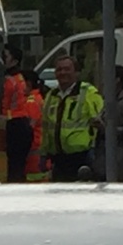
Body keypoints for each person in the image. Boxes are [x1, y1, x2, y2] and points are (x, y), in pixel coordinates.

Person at [41, 53, 105, 181]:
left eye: (67, 69)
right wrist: (43, 155)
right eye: (59, 69)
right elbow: (46, 127)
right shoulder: (51, 96)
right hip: (57, 159)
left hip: (82, 157)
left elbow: (101, 120)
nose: (62, 72)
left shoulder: (88, 92)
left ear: (76, 72)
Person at [2, 45, 31, 183]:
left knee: (14, 168)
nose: (2, 59)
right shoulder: (19, 78)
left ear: (14, 61)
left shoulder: (9, 81)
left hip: (15, 124)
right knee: (18, 168)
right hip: (22, 123)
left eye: (5, 56)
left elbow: (3, 104)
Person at [21, 70, 47, 182]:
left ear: (28, 84)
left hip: (33, 155)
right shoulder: (37, 98)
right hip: (37, 152)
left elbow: (29, 127)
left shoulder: (31, 102)